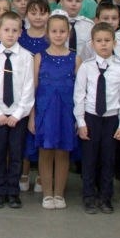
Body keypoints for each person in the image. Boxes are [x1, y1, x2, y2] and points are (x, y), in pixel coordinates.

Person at [74, 22, 120, 214]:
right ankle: (89, 196)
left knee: (108, 160)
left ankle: (106, 197)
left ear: (114, 43)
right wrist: (81, 122)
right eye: (99, 41)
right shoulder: (86, 67)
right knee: (89, 160)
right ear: (92, 44)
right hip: (91, 118)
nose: (103, 44)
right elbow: (79, 96)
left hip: (111, 119)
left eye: (107, 40)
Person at [0, 11, 35, 209]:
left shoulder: (26, 57)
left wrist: (17, 114)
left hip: (17, 115)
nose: (10, 34)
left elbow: (29, 87)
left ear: (21, 32)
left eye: (15, 30)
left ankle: (13, 191)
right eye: (6, 30)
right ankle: (0, 191)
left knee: (16, 153)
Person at [30, 12, 78, 209]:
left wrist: (79, 118)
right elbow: (32, 88)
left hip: (66, 112)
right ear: (47, 33)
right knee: (46, 151)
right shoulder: (39, 57)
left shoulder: (75, 58)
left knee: (63, 152)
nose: (58, 35)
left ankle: (59, 193)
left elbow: (80, 91)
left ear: (68, 33)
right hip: (45, 111)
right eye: (54, 31)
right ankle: (47, 194)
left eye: (62, 31)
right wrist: (32, 116)